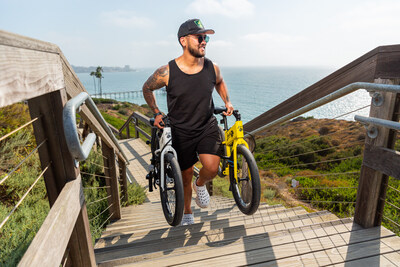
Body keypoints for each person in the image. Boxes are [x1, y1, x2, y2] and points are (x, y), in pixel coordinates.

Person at [142, 19, 233, 225]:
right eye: (199, 37)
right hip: (181, 131)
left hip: (206, 126)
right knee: (186, 174)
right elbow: (147, 88)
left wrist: (227, 101)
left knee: (211, 167)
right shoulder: (167, 71)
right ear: (183, 41)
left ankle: (200, 185)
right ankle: (187, 211)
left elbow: (219, 82)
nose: (204, 42)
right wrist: (156, 112)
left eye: (206, 38)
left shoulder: (212, 67)